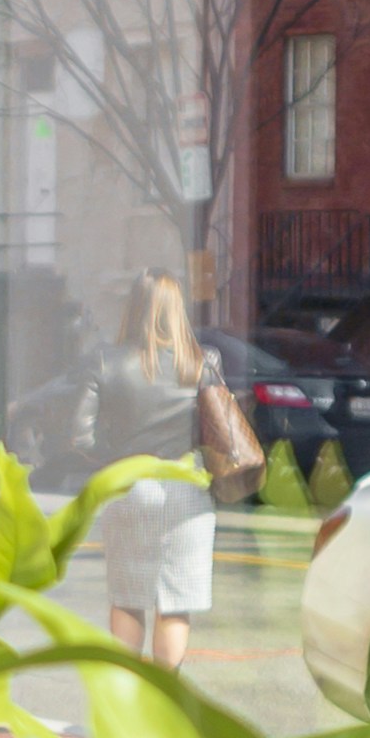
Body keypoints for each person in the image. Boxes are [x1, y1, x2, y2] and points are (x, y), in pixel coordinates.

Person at [87, 268, 233, 665]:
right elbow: (224, 431)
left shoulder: (105, 361)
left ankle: (129, 698)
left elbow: (78, 437)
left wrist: (115, 462)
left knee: (128, 600)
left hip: (129, 489)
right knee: (175, 605)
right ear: (177, 310)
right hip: (187, 490)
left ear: (133, 308)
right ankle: (164, 701)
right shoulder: (201, 363)